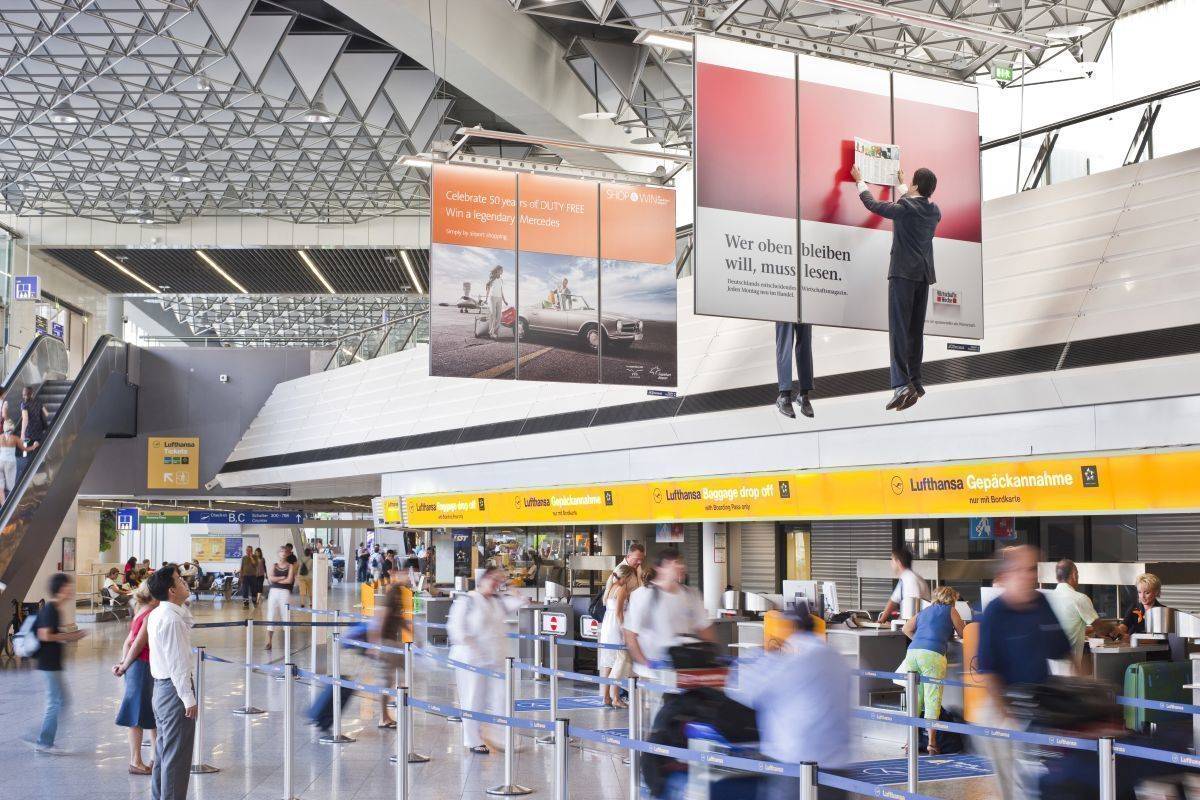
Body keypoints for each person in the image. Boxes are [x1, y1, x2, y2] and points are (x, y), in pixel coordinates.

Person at [728, 603, 852, 800]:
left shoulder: (789, 661)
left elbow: (744, 689)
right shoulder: (838, 659)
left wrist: (760, 655)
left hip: (794, 761)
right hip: (837, 763)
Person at [976, 545, 1072, 800]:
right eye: (1024, 570)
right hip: (1004, 705)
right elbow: (988, 671)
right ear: (1008, 573)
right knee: (1015, 786)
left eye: (1033, 569)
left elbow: (1063, 649)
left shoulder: (1041, 603)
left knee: (1041, 780)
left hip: (1039, 703)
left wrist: (1084, 693)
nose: (1030, 576)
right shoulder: (995, 612)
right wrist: (1008, 717)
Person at [851, 164, 942, 411]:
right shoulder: (934, 212)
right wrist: (903, 186)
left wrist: (860, 182)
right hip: (923, 277)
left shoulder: (905, 208)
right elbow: (913, 202)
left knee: (899, 331)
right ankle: (915, 381)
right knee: (914, 331)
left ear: (915, 186)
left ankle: (901, 385)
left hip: (903, 274)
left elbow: (873, 206)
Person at [446, 565, 526, 753]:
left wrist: (511, 586)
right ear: (483, 580)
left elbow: (522, 602)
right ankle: (473, 740)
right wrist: (471, 645)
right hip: (471, 660)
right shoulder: (467, 600)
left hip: (495, 658)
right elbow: (455, 628)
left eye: (499, 581)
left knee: (501, 697)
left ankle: (503, 737)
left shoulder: (497, 601)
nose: (496, 584)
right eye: (493, 580)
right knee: (473, 698)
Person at [146, 565, 196, 800]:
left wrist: (184, 603)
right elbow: (178, 664)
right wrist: (188, 698)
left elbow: (189, 621)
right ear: (171, 590)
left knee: (165, 753)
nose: (184, 581)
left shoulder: (160, 613)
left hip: (162, 690)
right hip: (174, 691)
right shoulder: (171, 620)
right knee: (177, 757)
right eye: (179, 580)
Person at [623, 547, 714, 676]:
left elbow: (704, 627)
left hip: (683, 670)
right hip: (653, 674)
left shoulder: (691, 594)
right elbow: (630, 634)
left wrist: (709, 656)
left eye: (680, 562)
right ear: (659, 568)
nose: (680, 566)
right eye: (673, 563)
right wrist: (646, 663)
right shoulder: (644, 595)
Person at [899, 585, 966, 754]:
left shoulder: (924, 612)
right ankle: (932, 743)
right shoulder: (950, 611)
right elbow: (963, 633)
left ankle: (909, 742)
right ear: (952, 599)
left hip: (913, 653)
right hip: (933, 657)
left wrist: (921, 641)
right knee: (932, 699)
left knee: (915, 699)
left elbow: (905, 629)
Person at [29, 572, 87, 754]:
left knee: (61, 701)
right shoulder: (51, 609)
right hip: (48, 663)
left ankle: (38, 736)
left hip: (52, 663)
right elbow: (44, 635)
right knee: (55, 702)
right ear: (61, 589)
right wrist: (71, 636)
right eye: (68, 587)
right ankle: (43, 741)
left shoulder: (55, 609)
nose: (71, 590)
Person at [113, 583, 159, 774]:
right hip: (142, 666)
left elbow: (128, 641)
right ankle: (136, 760)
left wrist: (124, 663)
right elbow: (138, 643)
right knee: (138, 715)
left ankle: (155, 757)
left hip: (137, 666)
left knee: (149, 713)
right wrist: (124, 665)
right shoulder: (150, 614)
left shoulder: (141, 610)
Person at [370, 561, 414, 728]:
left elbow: (398, 617)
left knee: (404, 673)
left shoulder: (399, 592)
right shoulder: (392, 592)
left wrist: (408, 631)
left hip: (393, 642)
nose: (408, 576)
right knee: (386, 679)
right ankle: (384, 717)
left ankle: (398, 704)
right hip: (386, 642)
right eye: (405, 573)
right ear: (396, 573)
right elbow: (380, 617)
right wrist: (375, 643)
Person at [1047, 559, 1103, 663]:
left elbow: (1069, 628)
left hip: (1049, 668)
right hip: (1068, 668)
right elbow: (1101, 628)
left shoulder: (1048, 598)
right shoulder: (1079, 598)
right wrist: (1118, 634)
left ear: (1057, 577)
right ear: (1074, 574)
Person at [598, 564, 637, 707]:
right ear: (626, 576)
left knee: (609, 663)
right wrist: (625, 631)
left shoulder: (610, 589)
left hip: (607, 626)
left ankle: (607, 697)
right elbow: (619, 613)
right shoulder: (621, 590)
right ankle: (616, 698)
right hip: (616, 628)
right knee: (619, 663)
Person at [876, 546, 930, 623]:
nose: (891, 564)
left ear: (898, 562)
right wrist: (882, 620)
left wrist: (899, 622)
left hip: (917, 626)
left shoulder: (910, 579)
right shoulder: (906, 577)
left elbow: (913, 607)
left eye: (892, 560)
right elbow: (893, 601)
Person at [775, 322, 814, 419]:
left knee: (805, 344)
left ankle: (803, 395)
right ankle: (784, 397)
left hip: (804, 307)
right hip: (784, 307)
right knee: (785, 344)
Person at [264, 546, 297, 651]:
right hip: (273, 592)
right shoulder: (274, 565)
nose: (283, 553)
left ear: (288, 554)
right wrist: (281, 578)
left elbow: (289, 580)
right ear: (278, 553)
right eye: (281, 551)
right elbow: (270, 578)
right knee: (271, 614)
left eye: (285, 552)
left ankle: (287, 641)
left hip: (284, 592)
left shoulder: (290, 566)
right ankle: (269, 641)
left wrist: (276, 580)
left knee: (285, 615)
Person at [1117, 572, 1165, 640]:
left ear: (1156, 592)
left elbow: (1158, 640)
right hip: (1136, 649)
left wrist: (1131, 639)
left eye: (1147, 593)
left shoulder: (1162, 612)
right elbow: (1124, 625)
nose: (1142, 596)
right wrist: (1116, 631)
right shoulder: (1134, 608)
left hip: (1156, 650)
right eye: (1139, 592)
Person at [17, 385, 50, 482]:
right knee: (41, 453)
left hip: (29, 433)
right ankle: (47, 476)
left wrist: (22, 434)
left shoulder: (24, 404)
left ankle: (27, 478)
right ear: (32, 393)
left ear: (24, 394)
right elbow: (47, 413)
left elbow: (25, 419)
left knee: (26, 454)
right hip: (39, 430)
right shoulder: (39, 402)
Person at [0, 417, 28, 502]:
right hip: (11, 463)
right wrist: (34, 446)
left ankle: (4, 506)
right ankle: (11, 504)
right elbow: (25, 449)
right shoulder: (15, 438)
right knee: (11, 486)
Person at [484, 265, 507, 339]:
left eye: (502, 270)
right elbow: (488, 289)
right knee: (493, 315)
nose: (502, 271)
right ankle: (492, 333)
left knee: (499, 316)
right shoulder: (492, 279)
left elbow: (501, 291)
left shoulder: (501, 280)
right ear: (497, 271)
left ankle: (493, 331)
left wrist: (504, 300)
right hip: (493, 298)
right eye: (501, 270)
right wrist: (486, 298)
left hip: (499, 299)